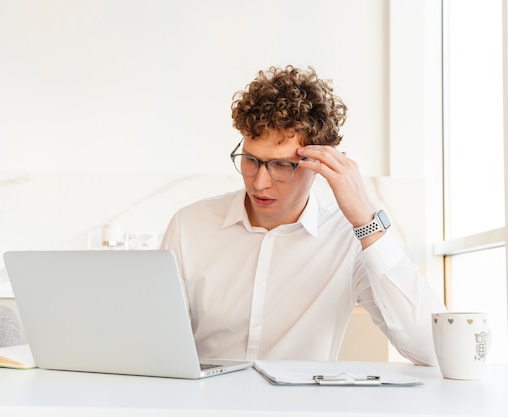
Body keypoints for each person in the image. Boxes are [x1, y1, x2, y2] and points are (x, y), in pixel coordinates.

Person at [160, 65, 446, 365]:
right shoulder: (189, 226)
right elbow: (159, 343)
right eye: (251, 160)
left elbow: (431, 349)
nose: (259, 182)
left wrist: (366, 220)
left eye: (281, 166)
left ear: (319, 162)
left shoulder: (349, 237)